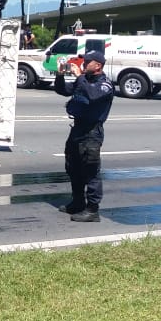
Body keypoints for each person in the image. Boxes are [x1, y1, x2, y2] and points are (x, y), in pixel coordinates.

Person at [54, 50, 114, 222]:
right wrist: (60, 74)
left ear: (98, 65)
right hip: (78, 129)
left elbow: (93, 95)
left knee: (91, 171)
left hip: (92, 132)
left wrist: (79, 76)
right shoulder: (84, 80)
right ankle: (78, 202)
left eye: (88, 62)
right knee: (73, 168)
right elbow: (63, 90)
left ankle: (92, 210)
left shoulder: (105, 84)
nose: (84, 64)